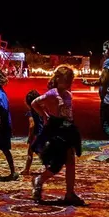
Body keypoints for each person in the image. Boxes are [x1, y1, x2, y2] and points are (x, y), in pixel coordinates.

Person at [30, 65, 84, 206]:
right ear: (58, 79)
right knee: (58, 163)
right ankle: (39, 180)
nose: (69, 83)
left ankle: (69, 193)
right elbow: (34, 103)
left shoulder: (68, 94)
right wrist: (44, 115)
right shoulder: (52, 94)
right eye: (67, 79)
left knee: (70, 161)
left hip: (67, 129)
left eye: (71, 80)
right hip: (57, 131)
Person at [22, 88, 44, 176]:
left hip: (35, 135)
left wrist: (30, 136)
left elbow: (32, 125)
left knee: (30, 152)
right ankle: (49, 167)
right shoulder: (42, 110)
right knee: (41, 152)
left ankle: (26, 170)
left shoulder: (31, 112)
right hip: (43, 133)